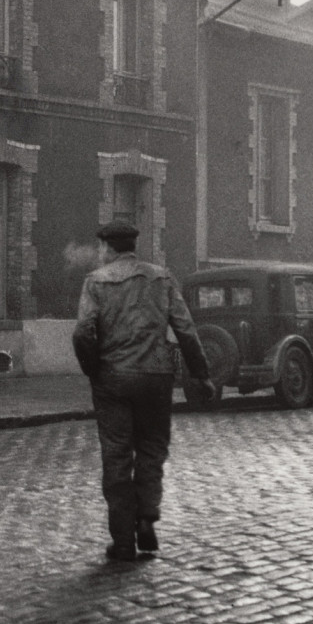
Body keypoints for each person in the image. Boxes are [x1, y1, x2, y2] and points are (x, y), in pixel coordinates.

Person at [72, 220, 215, 561]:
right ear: (133, 246)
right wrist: (202, 374)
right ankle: (147, 519)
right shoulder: (161, 278)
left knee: (117, 455)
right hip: (156, 377)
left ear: (108, 248)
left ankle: (122, 541)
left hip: (114, 379)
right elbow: (186, 329)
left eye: (102, 248)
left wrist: (94, 369)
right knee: (151, 451)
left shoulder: (96, 282)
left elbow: (82, 332)